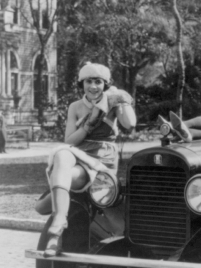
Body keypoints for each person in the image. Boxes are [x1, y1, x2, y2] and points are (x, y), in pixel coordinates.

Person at [42, 62, 136, 257]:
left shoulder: (112, 102)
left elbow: (130, 123)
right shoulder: (75, 107)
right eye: (88, 82)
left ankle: (56, 230)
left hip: (102, 161)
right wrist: (89, 125)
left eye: (98, 82)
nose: (93, 87)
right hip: (79, 155)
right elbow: (69, 140)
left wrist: (121, 100)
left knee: (60, 166)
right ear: (81, 84)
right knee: (62, 153)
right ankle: (59, 221)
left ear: (106, 84)